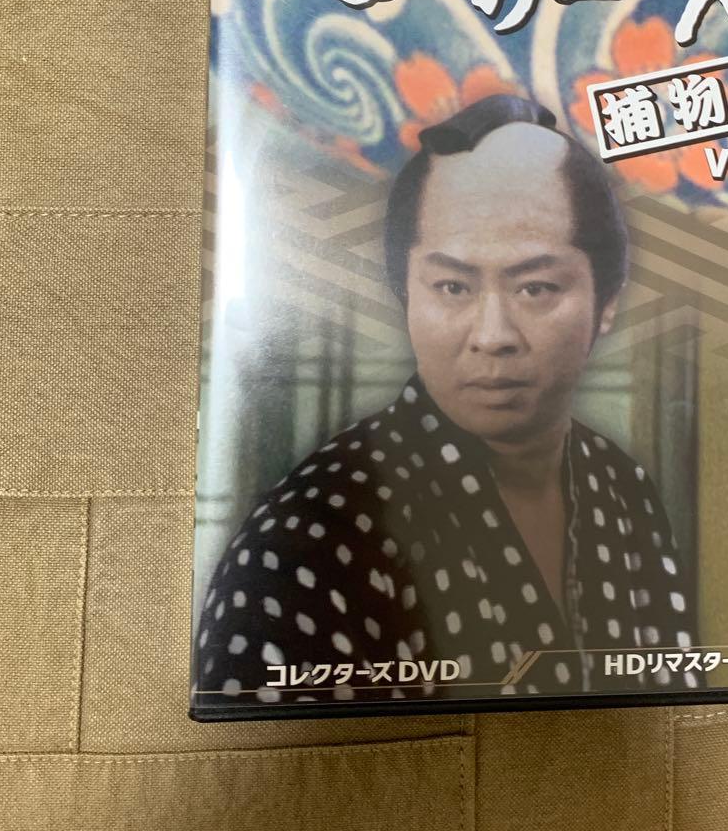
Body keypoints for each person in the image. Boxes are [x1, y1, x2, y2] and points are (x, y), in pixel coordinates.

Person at [193, 95, 698, 709]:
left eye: (536, 287)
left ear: (606, 301)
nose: (493, 335)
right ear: (407, 293)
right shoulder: (306, 539)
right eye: (453, 286)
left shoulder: (623, 489)